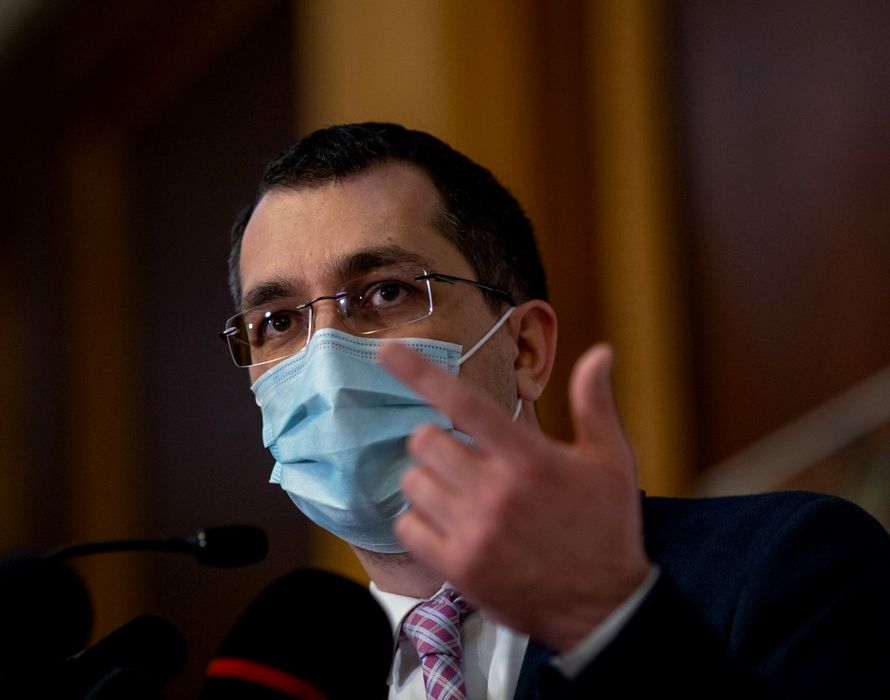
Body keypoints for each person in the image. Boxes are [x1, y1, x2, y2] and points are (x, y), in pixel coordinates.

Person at [220, 122, 890, 699]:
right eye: (277, 321)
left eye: (386, 292)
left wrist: (606, 622)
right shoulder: (294, 683)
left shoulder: (784, 565)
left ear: (526, 349)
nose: (327, 357)